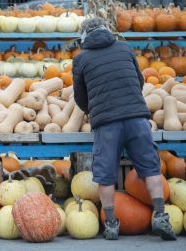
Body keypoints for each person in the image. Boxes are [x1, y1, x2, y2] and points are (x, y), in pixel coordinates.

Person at [72, 17, 176, 241]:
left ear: (83, 37)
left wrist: (93, 109)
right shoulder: (124, 47)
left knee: (106, 174)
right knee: (150, 168)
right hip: (137, 118)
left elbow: (80, 98)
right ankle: (160, 215)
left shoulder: (81, 59)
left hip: (107, 123)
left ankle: (110, 224)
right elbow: (138, 82)